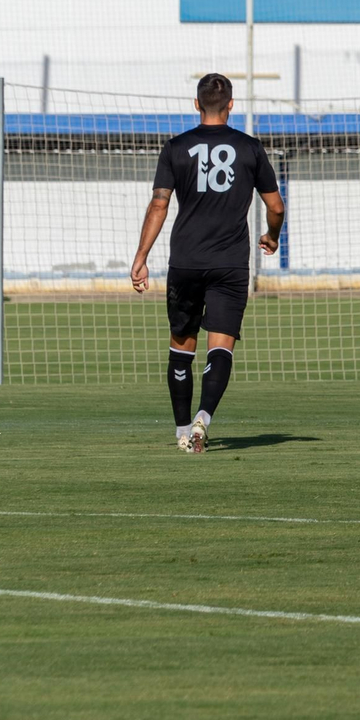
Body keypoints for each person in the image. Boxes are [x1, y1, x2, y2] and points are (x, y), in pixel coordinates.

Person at [131, 73, 285, 454]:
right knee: (222, 346)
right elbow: (276, 206)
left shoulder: (176, 147)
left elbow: (159, 204)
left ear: (196, 104)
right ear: (231, 105)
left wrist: (141, 257)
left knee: (182, 346)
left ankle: (183, 431)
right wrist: (272, 235)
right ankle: (204, 419)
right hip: (230, 263)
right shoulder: (250, 148)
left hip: (185, 261)